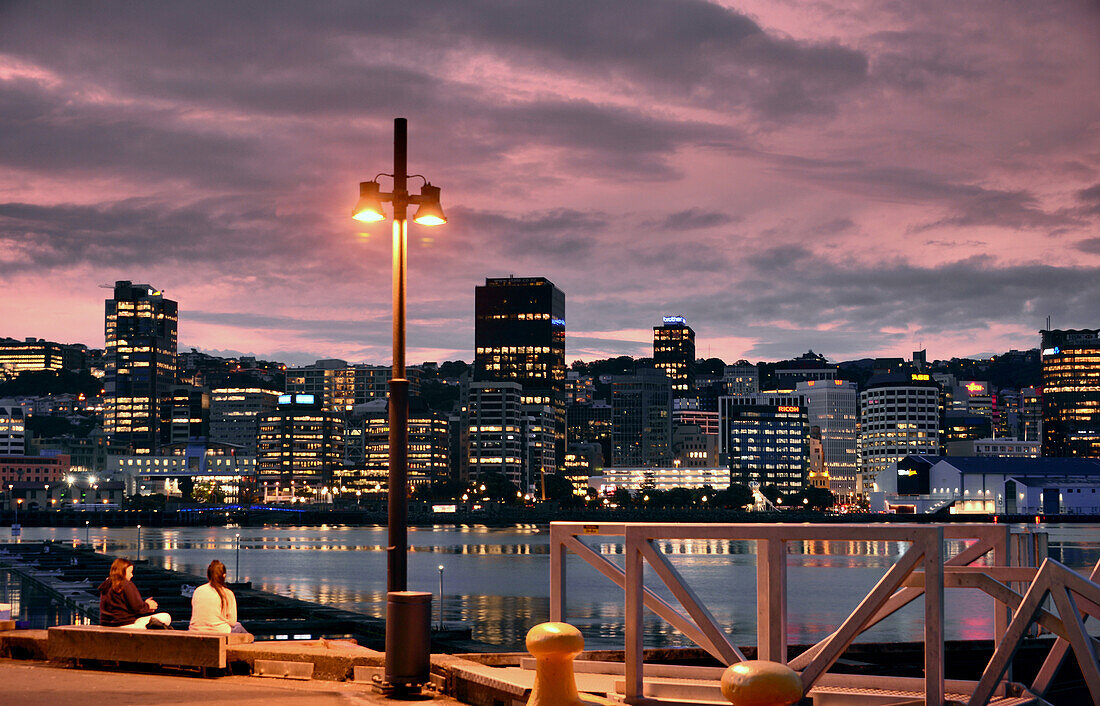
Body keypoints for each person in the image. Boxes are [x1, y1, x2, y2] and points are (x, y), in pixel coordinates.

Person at [98, 557, 172, 629]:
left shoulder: (106, 584)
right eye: (130, 572)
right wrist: (148, 605)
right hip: (125, 625)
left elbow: (122, 608)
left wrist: (145, 607)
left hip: (106, 625)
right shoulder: (125, 584)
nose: (132, 575)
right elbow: (137, 608)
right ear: (123, 571)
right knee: (166, 617)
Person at [189, 560, 247, 634]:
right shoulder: (227, 593)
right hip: (218, 632)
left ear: (208, 575)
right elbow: (232, 622)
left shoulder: (198, 590)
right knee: (239, 627)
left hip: (195, 630)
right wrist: (223, 620)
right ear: (224, 575)